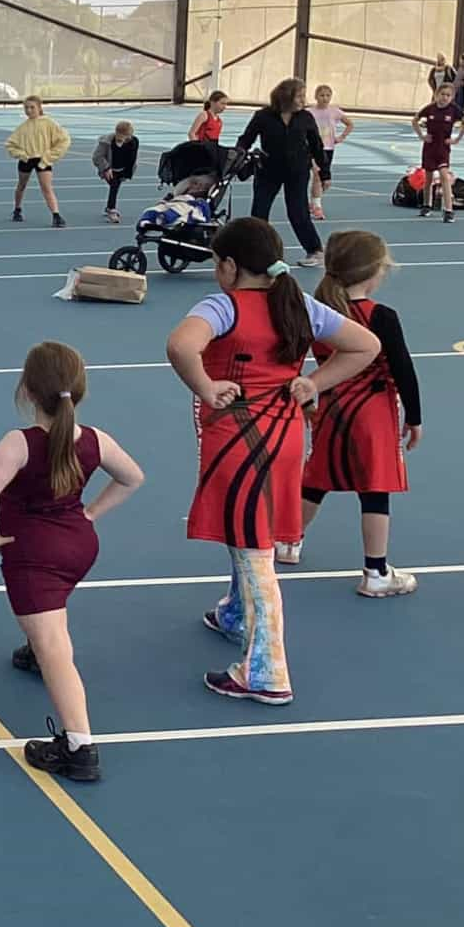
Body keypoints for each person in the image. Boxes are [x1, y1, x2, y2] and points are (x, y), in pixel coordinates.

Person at [164, 218, 379, 705]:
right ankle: (236, 614)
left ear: (230, 266)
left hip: (241, 439)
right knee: (247, 533)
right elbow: (366, 346)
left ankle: (265, 668)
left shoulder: (224, 305)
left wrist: (205, 386)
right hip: (283, 435)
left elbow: (181, 344)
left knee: (255, 549)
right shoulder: (298, 304)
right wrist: (314, 383)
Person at [0, 342, 144, 782]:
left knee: (56, 650)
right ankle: (34, 645)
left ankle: (79, 747)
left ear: (26, 391)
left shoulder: (19, 444)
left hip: (33, 556)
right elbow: (132, 477)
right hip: (79, 547)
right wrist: (90, 514)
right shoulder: (96, 440)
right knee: (48, 618)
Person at [295, 231, 421, 596]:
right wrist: (414, 417)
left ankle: (287, 540)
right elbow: (402, 368)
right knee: (375, 488)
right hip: (372, 412)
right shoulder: (380, 316)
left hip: (330, 409)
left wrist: (306, 400)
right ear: (374, 272)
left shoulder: (319, 314)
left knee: (317, 476)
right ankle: (376, 571)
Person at [233, 78, 327, 264]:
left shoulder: (305, 117)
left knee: (297, 211)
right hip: (268, 170)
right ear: (286, 97)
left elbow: (316, 145)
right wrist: (237, 157)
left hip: (297, 171)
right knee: (259, 211)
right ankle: (257, 251)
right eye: (299, 96)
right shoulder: (263, 116)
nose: (303, 100)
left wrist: (325, 173)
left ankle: (315, 250)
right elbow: (246, 139)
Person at [5, 95, 71, 226]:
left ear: (40, 108)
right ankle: (17, 209)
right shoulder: (23, 127)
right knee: (21, 185)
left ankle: (56, 215)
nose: (29, 110)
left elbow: (64, 140)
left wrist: (49, 156)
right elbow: (10, 144)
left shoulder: (49, 123)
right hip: (26, 159)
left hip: (43, 160)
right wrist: (22, 154)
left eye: (32, 107)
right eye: (26, 108)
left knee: (46, 187)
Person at [414, 83, 464, 222]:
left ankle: (448, 210)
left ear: (452, 97)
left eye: (448, 95)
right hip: (430, 146)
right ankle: (426, 205)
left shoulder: (454, 110)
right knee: (428, 177)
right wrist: (422, 136)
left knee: (444, 175)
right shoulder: (430, 109)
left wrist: (457, 139)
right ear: (437, 95)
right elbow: (415, 120)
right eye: (442, 94)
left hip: (443, 147)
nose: (445, 98)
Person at [304, 85, 352, 221]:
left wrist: (341, 137)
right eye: (322, 95)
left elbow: (349, 124)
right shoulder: (309, 112)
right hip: (312, 149)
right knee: (317, 176)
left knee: (325, 182)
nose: (324, 98)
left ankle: (314, 201)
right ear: (316, 96)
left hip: (328, 148)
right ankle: (317, 208)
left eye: (327, 95)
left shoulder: (335, 112)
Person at [93, 120, 140, 223]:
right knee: (114, 185)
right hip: (109, 169)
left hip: (122, 170)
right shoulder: (107, 142)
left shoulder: (134, 142)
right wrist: (106, 168)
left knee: (115, 186)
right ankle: (111, 209)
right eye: (125, 135)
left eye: (129, 135)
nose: (128, 138)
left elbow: (132, 158)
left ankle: (109, 208)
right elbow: (97, 157)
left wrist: (129, 173)